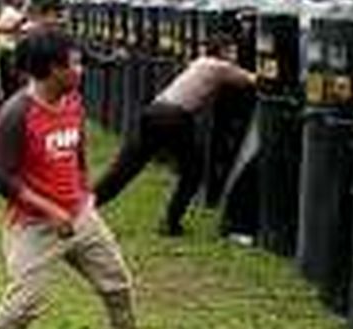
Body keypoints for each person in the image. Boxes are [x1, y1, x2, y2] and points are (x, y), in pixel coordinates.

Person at [0, 28, 180, 329]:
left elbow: (77, 153)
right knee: (25, 303)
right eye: (74, 62)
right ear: (52, 69)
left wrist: (84, 195)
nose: (81, 68)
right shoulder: (16, 113)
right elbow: (0, 178)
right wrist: (50, 210)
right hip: (35, 225)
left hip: (79, 215)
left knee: (116, 282)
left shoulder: (72, 100)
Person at [93, 43, 257, 236]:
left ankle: (83, 208)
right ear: (221, 52)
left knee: (124, 169)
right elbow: (256, 80)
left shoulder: (199, 62)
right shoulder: (219, 66)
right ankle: (170, 222)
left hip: (154, 110)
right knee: (193, 171)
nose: (234, 56)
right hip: (175, 117)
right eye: (232, 51)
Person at [0, 0, 28, 100]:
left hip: (13, 52)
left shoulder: (15, 13)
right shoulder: (9, 13)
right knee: (11, 86)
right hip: (9, 52)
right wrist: (19, 24)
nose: (23, 0)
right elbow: (2, 28)